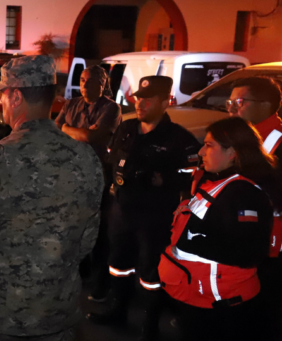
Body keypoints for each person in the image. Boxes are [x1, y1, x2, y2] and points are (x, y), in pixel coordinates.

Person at [0, 55, 103, 341]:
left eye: (3, 94)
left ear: (16, 97)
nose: (2, 102)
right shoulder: (86, 158)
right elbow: (87, 241)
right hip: (58, 315)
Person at [87, 76, 201, 341]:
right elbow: (111, 160)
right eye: (138, 98)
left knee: (151, 273)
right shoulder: (126, 128)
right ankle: (118, 310)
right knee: (118, 264)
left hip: (155, 215)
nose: (140, 103)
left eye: (148, 99)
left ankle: (149, 325)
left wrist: (165, 180)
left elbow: (191, 174)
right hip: (121, 210)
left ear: (165, 102)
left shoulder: (179, 139)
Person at [158, 117, 274, 341]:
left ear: (233, 152)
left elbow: (248, 252)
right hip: (202, 297)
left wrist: (192, 239)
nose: (201, 152)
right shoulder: (218, 181)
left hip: (222, 305)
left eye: (209, 145)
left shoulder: (243, 193)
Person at [55, 65, 121, 301]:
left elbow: (91, 137)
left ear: (102, 84)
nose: (84, 85)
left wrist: (68, 129)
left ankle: (100, 282)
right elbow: (56, 130)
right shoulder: (71, 104)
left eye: (90, 81)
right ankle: (78, 274)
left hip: (97, 177)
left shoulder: (111, 108)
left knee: (100, 232)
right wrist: (75, 131)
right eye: (82, 80)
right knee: (73, 227)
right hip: (71, 176)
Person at [226, 76, 282, 336]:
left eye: (240, 101)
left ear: (266, 105)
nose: (232, 107)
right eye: (230, 101)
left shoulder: (277, 141)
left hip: (269, 243)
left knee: (264, 304)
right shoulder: (244, 137)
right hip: (241, 236)